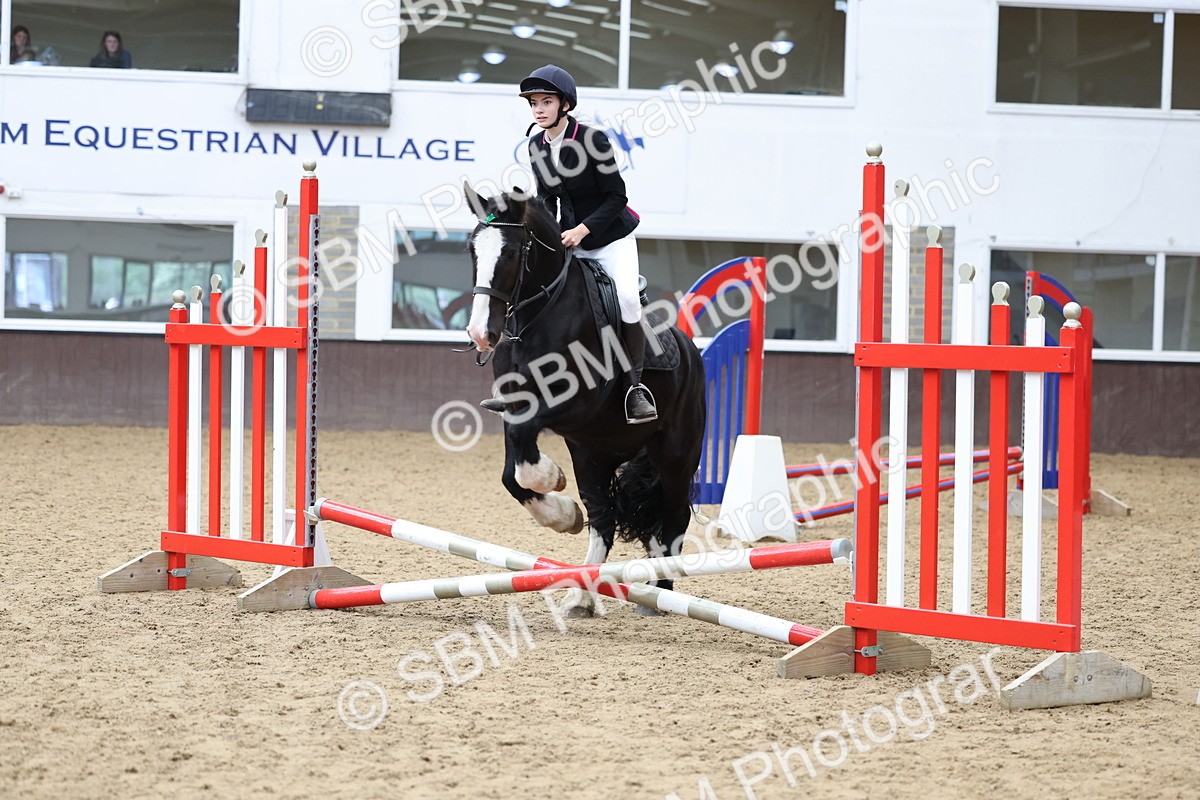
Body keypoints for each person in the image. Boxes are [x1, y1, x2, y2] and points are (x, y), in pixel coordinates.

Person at [483, 64, 656, 424]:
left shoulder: (593, 141)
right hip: (568, 239)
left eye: (546, 101)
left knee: (626, 299)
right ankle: (515, 381)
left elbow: (616, 198)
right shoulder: (536, 146)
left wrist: (582, 231)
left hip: (611, 236)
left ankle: (635, 387)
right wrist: (546, 234)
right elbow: (546, 198)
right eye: (533, 104)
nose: (539, 109)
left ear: (565, 104)